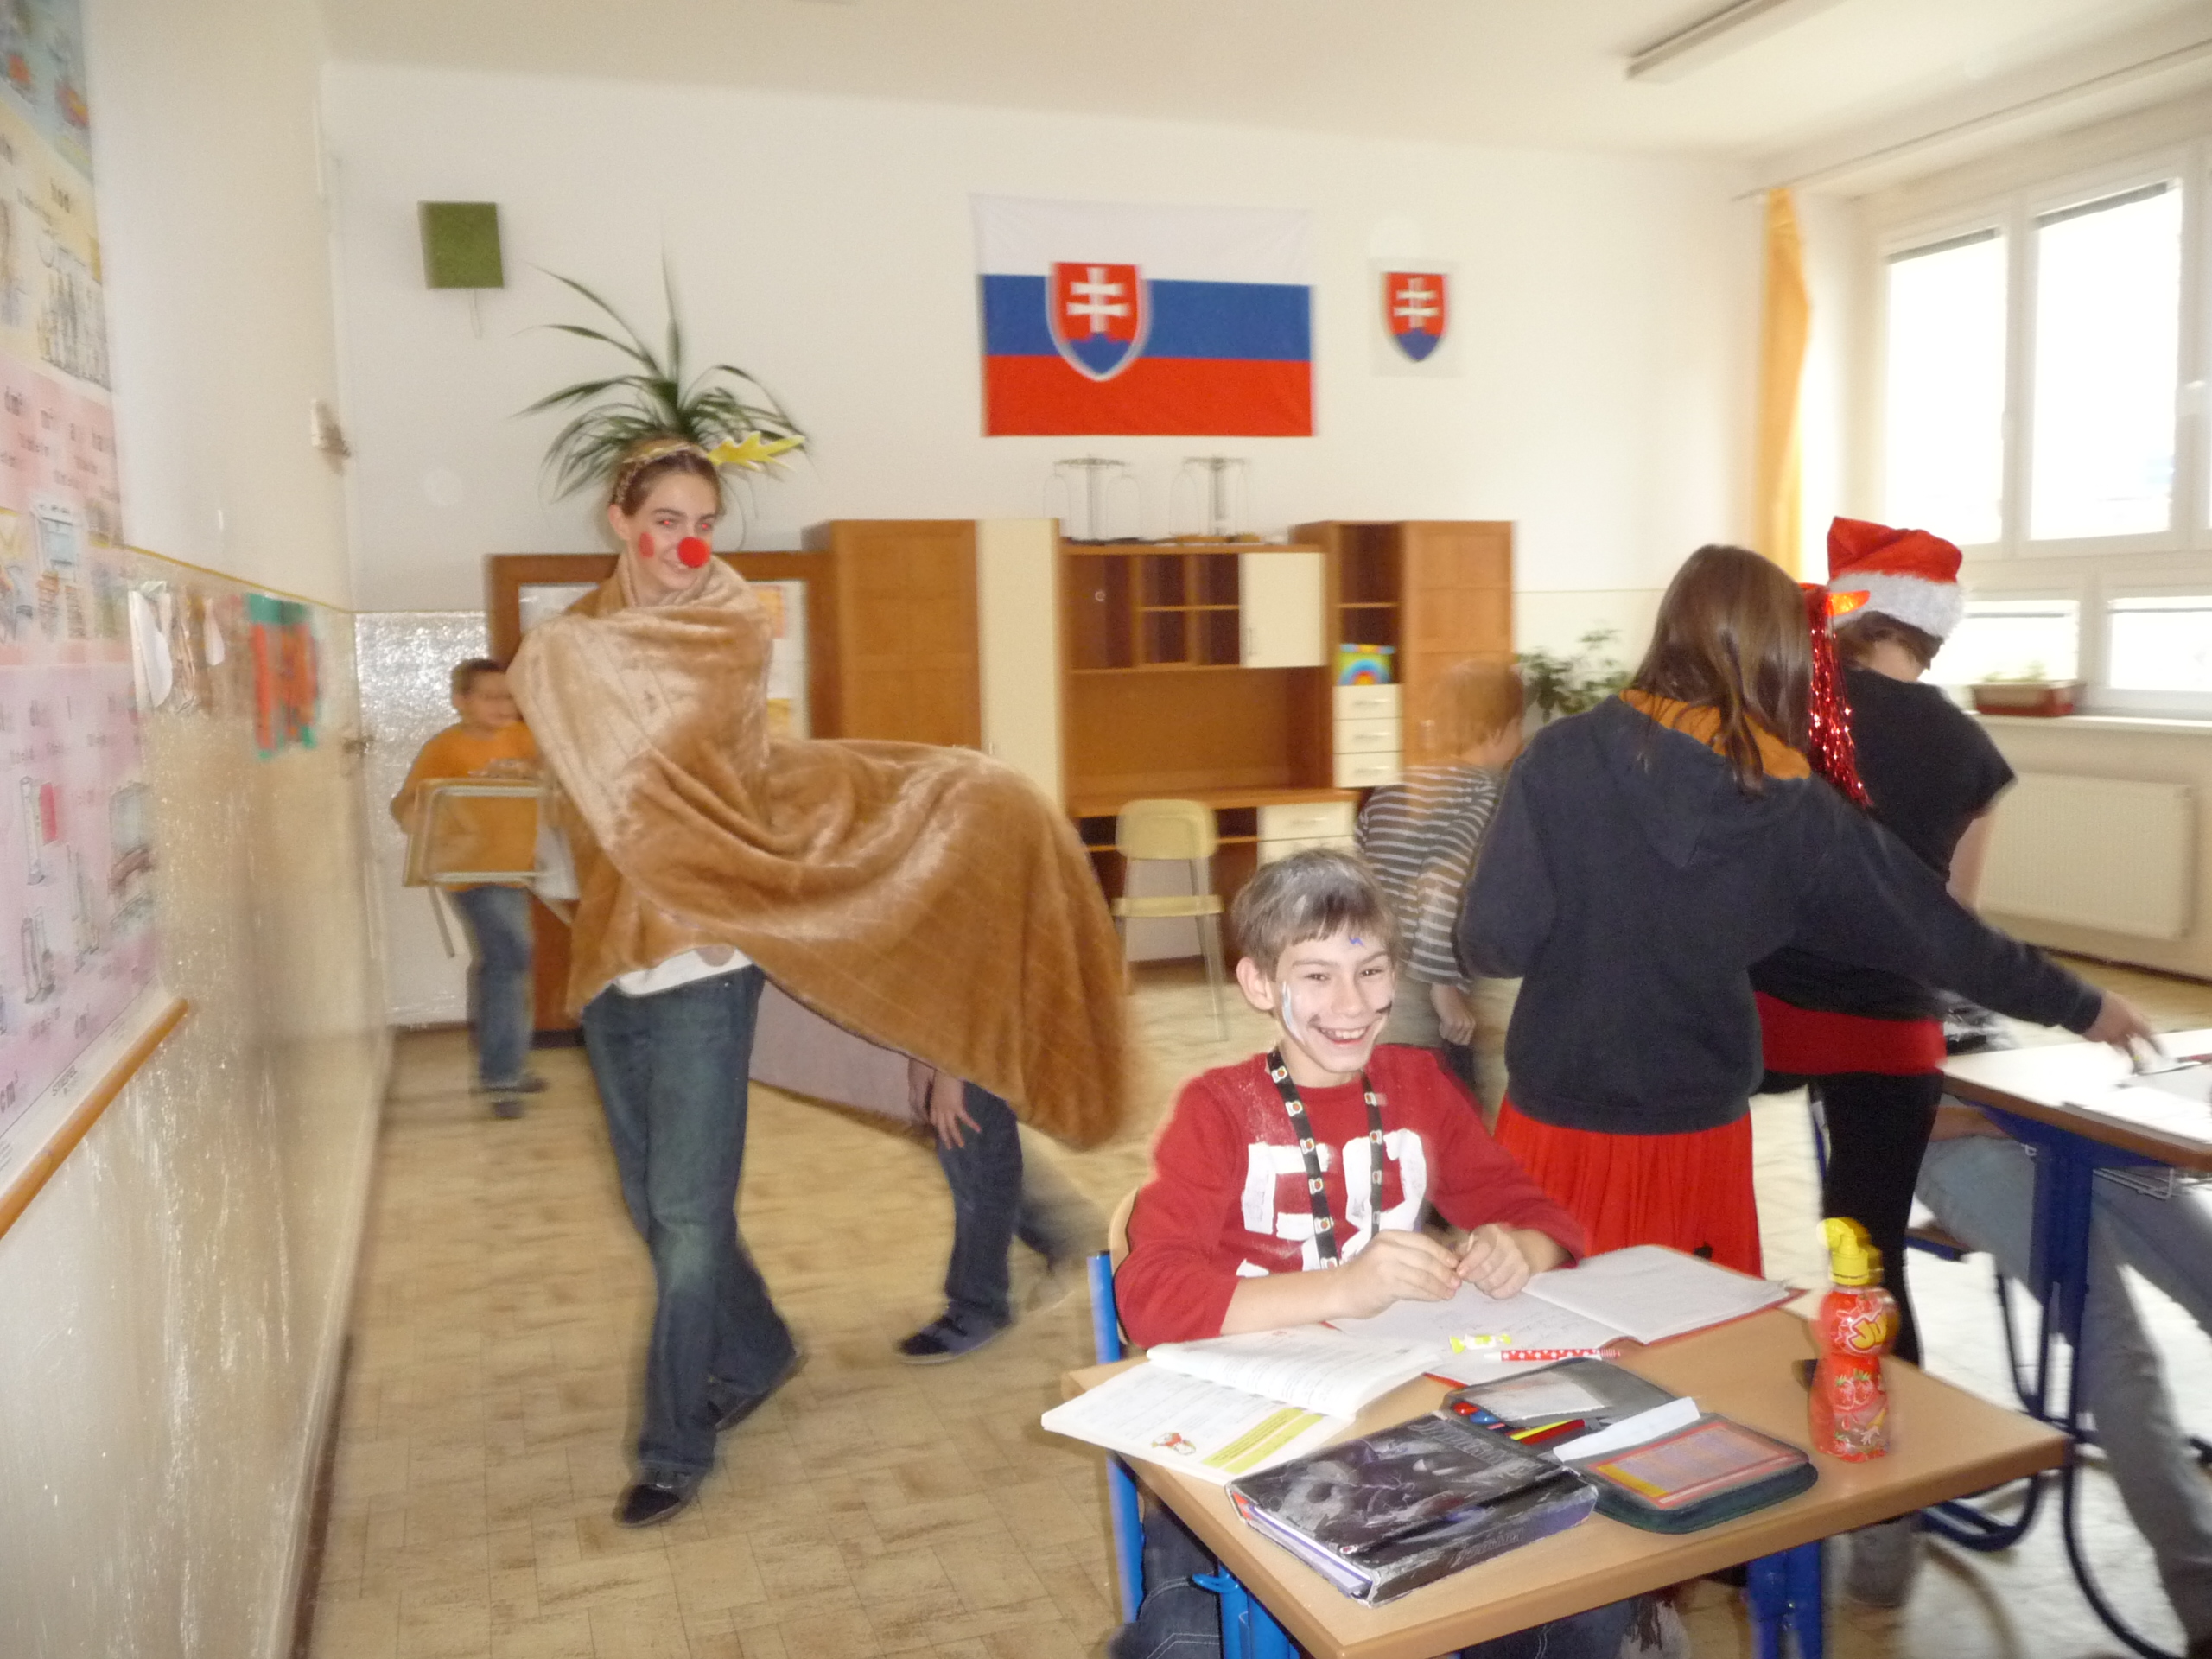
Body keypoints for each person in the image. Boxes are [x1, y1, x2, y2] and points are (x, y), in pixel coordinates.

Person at [510, 435, 1127, 1528]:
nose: (687, 545)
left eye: (703, 522)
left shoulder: (727, 628)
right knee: (653, 1209)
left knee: (689, 1218)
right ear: (621, 523)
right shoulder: (571, 646)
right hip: (613, 960)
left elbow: (688, 784)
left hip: (706, 958)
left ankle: (674, 1445)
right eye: (664, 522)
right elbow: (594, 773)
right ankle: (757, 1348)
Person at [1457, 543, 2153, 1277]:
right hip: (1696, 1126)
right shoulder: (1795, 806)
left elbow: (1494, 944)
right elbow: (1937, 932)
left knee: (1547, 1329)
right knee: (1698, 1333)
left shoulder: (1559, 755)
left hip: (1557, 1112)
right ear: (1788, 657)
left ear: (1670, 630)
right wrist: (2083, 1005)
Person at [1109, 849, 1634, 1659]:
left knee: (1579, 1598)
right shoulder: (1217, 1111)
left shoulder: (1418, 1084)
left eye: (1371, 971)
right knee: (1191, 1641)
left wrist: (1519, 1246)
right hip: (1247, 1434)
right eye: (1316, 976)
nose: (1351, 1004)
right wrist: (1344, 1288)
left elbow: (1540, 1216)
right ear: (1260, 984)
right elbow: (1149, 1296)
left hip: (1398, 1423)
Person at [1752, 518, 2008, 1369]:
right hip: (1887, 1026)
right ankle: (1880, 1404)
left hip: (1768, 1011)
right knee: (1867, 1248)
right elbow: (1956, 916)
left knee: (1701, 1208)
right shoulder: (1970, 749)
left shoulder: (1790, 719)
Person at [1918, 1101, 2212, 1659]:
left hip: (2053, 1117)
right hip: (1944, 1132)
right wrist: (1991, 1119)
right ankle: (2204, 1605)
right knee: (2114, 1343)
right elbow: (1859, 1100)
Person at [1356, 660, 1523, 1113]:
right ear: (1498, 730)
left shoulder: (1396, 786)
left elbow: (1361, 877)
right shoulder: (1486, 794)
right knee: (1451, 1115)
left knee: (1392, 1106)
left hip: (1376, 972)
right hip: (1427, 984)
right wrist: (1443, 989)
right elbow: (1443, 886)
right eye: (1518, 726)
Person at [390, 658, 543, 1112]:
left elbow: (553, 775)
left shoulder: (524, 738)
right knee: (508, 957)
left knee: (513, 960)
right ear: (461, 701)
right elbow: (407, 804)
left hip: (514, 870)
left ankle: (509, 1064)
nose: (503, 706)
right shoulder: (446, 747)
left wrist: (530, 774)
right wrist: (420, 820)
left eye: (510, 697)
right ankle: (501, 1076)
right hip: (471, 873)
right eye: (490, 697)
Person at [898, 1059, 1100, 1363]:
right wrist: (926, 1055)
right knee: (971, 1148)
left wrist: (950, 1070)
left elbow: (978, 1027)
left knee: (975, 1154)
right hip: (956, 1047)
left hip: (970, 1049)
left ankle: (979, 1306)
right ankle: (1059, 1230)